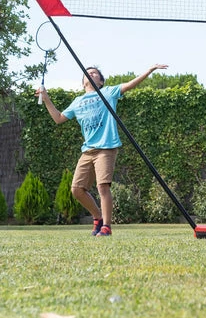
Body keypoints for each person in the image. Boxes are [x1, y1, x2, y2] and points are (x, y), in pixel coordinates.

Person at [38, 63, 168, 237]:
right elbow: (59, 118)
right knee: (77, 189)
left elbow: (130, 84)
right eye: (88, 73)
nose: (91, 74)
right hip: (87, 150)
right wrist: (46, 99)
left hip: (106, 148)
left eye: (95, 73)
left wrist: (150, 70)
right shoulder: (77, 102)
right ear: (84, 81)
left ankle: (106, 226)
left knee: (102, 186)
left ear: (100, 81)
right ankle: (97, 217)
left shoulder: (107, 93)